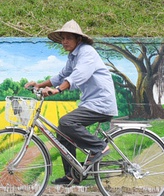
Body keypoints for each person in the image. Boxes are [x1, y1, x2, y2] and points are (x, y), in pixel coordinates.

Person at [25, 19, 118, 185]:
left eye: (68, 38)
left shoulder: (87, 52)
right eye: (63, 38)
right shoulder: (73, 56)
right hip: (90, 102)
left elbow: (79, 75)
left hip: (101, 103)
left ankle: (99, 147)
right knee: (63, 131)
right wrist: (39, 85)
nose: (64, 41)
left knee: (66, 122)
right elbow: (60, 76)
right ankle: (72, 175)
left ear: (79, 39)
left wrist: (59, 90)